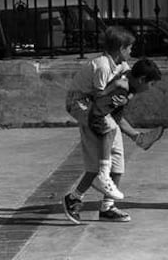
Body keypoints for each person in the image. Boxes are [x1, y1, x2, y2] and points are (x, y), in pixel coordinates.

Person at [62, 26, 161, 224]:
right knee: (106, 133)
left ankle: (107, 207)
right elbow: (100, 97)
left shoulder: (122, 66)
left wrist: (126, 93)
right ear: (120, 48)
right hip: (80, 103)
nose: (131, 52)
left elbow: (129, 84)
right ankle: (74, 198)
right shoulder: (102, 66)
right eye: (130, 48)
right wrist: (117, 86)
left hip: (98, 106)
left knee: (118, 162)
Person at [88, 59, 163, 201]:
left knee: (118, 163)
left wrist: (126, 100)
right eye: (151, 84)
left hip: (106, 116)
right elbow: (116, 85)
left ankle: (139, 139)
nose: (151, 87)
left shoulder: (129, 81)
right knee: (109, 130)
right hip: (98, 118)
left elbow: (130, 91)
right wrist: (103, 93)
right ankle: (101, 176)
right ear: (141, 80)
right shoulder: (121, 85)